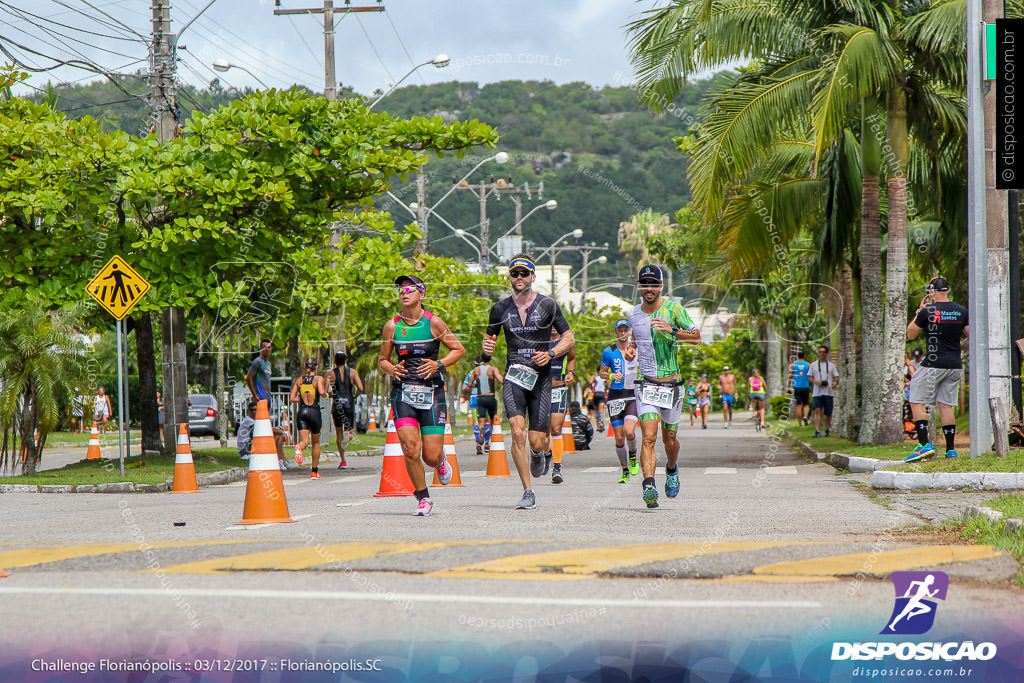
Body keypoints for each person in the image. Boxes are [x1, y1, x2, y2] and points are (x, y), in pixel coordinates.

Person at [483, 254, 575, 510]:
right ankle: (527, 491)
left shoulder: (548, 305)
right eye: (515, 274)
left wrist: (552, 354)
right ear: (509, 277)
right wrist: (486, 347)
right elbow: (488, 344)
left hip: (542, 379)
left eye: (525, 273)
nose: (520, 277)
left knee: (536, 441)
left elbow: (569, 339)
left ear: (533, 277)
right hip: (514, 376)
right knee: (516, 431)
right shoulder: (499, 308)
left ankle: (539, 453)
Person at [379, 275, 465, 515]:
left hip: (432, 393)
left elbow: (458, 349)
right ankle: (423, 497)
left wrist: (439, 364)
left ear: (422, 294)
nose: (404, 292)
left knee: (430, 455)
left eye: (409, 289)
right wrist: (392, 368)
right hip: (403, 392)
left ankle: (440, 461)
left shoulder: (434, 323)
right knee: (409, 447)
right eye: (400, 290)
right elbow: (383, 360)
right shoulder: (392, 326)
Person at [626, 264, 701, 509]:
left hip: (672, 385)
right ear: (639, 287)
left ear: (661, 286)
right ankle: (649, 485)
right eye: (644, 284)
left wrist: (673, 330)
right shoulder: (632, 314)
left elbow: (697, 337)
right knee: (648, 436)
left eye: (653, 284)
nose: (649, 288)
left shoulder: (674, 309)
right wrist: (631, 350)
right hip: (645, 384)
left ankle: (671, 468)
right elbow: (636, 340)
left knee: (670, 439)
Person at [905, 277, 969, 461]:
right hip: (954, 364)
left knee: (915, 399)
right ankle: (951, 450)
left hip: (933, 363)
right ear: (947, 291)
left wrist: (919, 311)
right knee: (945, 405)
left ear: (932, 292)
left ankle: (924, 445)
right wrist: (957, 347)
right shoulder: (961, 311)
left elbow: (910, 334)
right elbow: (970, 339)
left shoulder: (928, 311)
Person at [599, 319, 640, 483]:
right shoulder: (609, 351)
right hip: (615, 396)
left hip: (632, 395)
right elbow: (601, 372)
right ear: (615, 332)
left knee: (629, 431)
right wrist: (610, 375)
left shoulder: (636, 349)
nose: (623, 333)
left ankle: (633, 456)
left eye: (625, 330)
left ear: (629, 331)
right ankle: (624, 470)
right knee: (618, 438)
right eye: (620, 330)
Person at [290, 358, 329, 478]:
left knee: (305, 442)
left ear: (305, 367)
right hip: (314, 412)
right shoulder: (318, 378)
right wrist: (327, 395)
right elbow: (322, 392)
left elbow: (292, 398)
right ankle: (314, 471)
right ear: (316, 367)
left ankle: (299, 447)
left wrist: (301, 399)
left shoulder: (299, 380)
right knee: (316, 442)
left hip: (302, 412)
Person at [547, 332, 575, 484]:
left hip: (559, 389)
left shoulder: (566, 341)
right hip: (541, 391)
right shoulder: (539, 338)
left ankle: (557, 467)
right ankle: (545, 453)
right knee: (543, 431)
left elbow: (571, 358)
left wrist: (570, 372)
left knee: (556, 428)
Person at [463, 354, 503, 456]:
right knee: (490, 422)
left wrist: (476, 386)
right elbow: (500, 380)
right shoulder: (492, 369)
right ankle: (487, 444)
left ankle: (478, 442)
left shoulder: (473, 372)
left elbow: (466, 387)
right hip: (490, 397)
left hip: (477, 398)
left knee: (478, 422)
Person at [236, 401, 291, 469]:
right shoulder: (248, 420)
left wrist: (279, 431)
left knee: (280, 437)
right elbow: (267, 429)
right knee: (278, 437)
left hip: (252, 445)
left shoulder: (255, 420)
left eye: (256, 410)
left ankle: (282, 460)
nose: (254, 412)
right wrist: (280, 431)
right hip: (246, 449)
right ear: (248, 411)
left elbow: (268, 429)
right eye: (251, 410)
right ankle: (280, 460)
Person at [808, 344, 839, 437]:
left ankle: (827, 428)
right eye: (820, 352)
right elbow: (809, 377)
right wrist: (816, 382)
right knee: (817, 410)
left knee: (828, 412)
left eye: (823, 352)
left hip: (828, 392)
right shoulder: (813, 365)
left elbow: (836, 376)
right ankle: (817, 431)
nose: (821, 354)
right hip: (817, 393)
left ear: (827, 354)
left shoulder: (831, 365)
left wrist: (835, 382)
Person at [462, 358, 482, 451]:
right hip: (486, 398)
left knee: (476, 421)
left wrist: (472, 388)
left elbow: (464, 387)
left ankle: (478, 442)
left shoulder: (471, 373)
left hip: (474, 398)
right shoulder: (489, 372)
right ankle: (486, 443)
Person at [789, 351, 810, 426]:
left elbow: (790, 376)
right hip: (806, 386)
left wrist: (788, 387)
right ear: (804, 355)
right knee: (806, 404)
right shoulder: (808, 364)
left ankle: (800, 423)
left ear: (797, 356)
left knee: (798, 405)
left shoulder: (793, 365)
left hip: (797, 387)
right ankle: (805, 416)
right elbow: (811, 376)